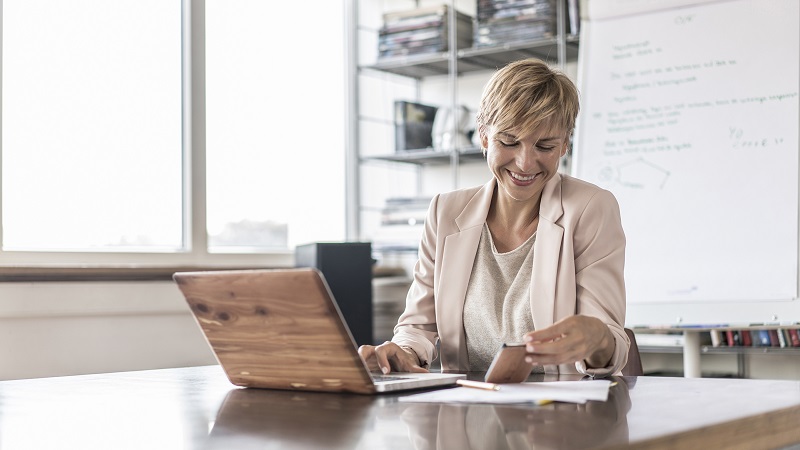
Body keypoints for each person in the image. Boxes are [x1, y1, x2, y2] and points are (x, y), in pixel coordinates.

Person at [358, 58, 628, 377]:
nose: (526, 163)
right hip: (467, 409)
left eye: (545, 145)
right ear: (484, 138)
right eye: (509, 142)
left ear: (565, 143)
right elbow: (418, 327)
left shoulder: (590, 208)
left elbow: (609, 344)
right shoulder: (446, 212)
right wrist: (401, 351)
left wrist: (596, 338)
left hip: (560, 410)